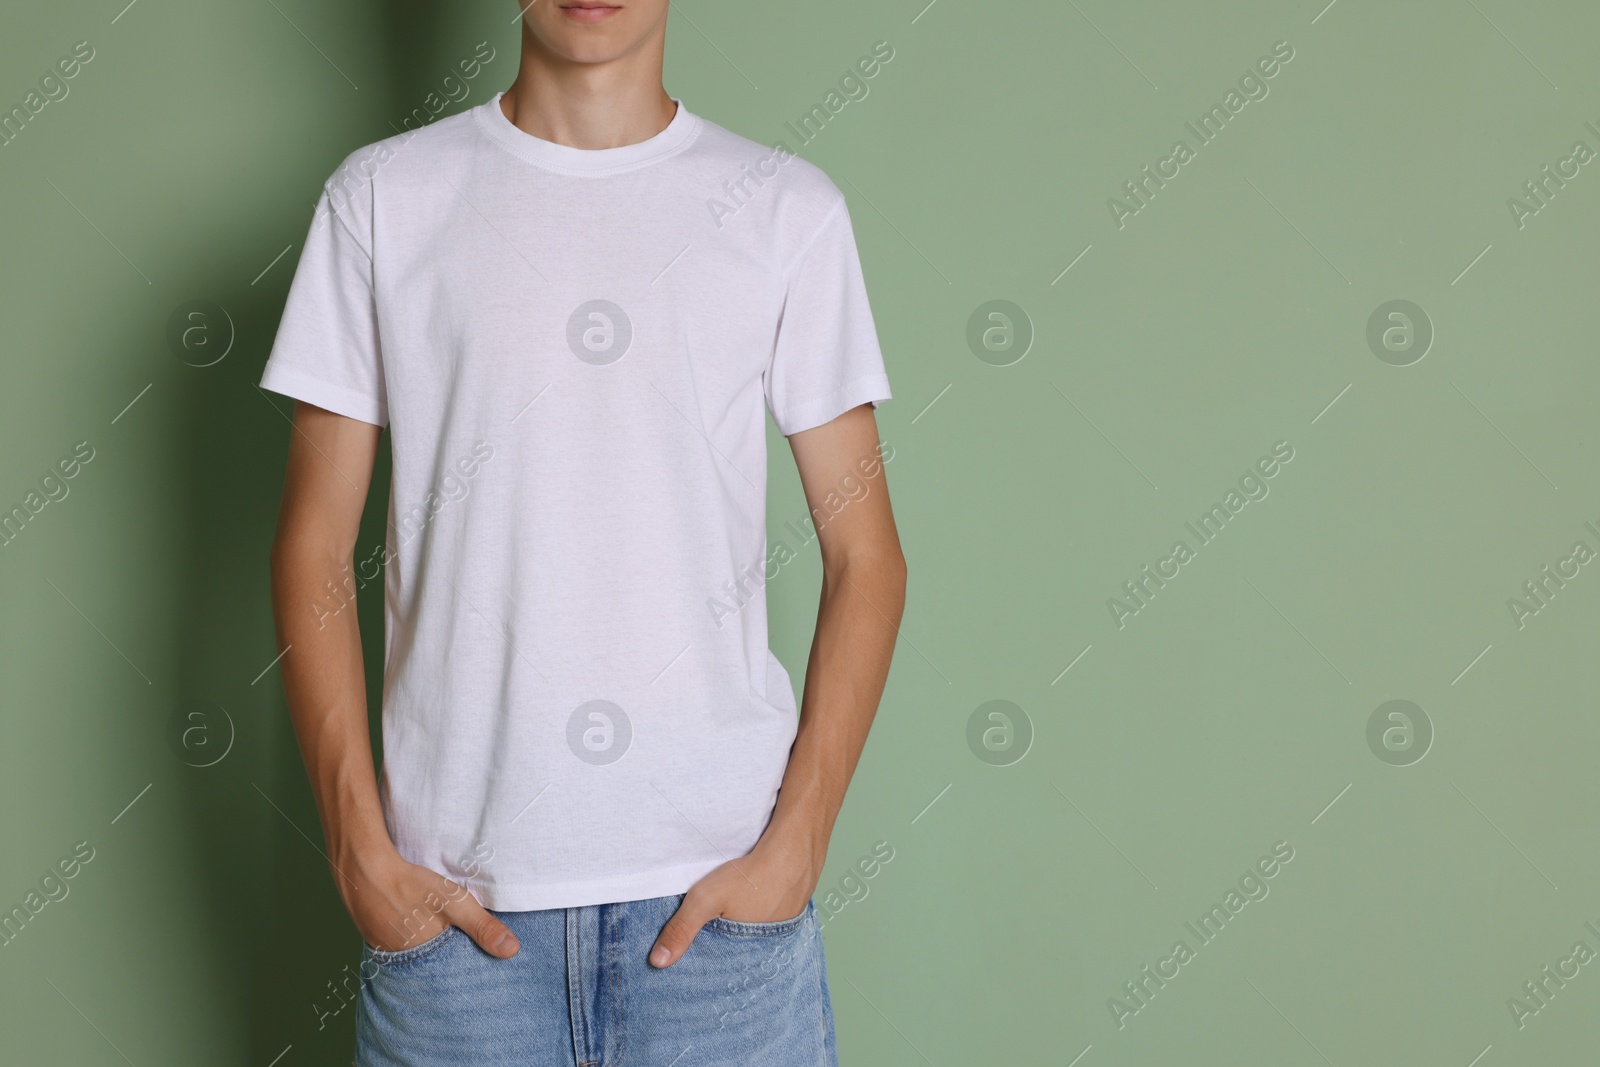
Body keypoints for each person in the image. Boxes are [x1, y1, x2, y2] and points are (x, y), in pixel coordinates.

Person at [262, 1, 906, 1063]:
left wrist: (798, 840)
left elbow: (866, 554)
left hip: (718, 932)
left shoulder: (786, 211)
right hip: (457, 934)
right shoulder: (383, 199)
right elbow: (312, 546)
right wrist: (356, 851)